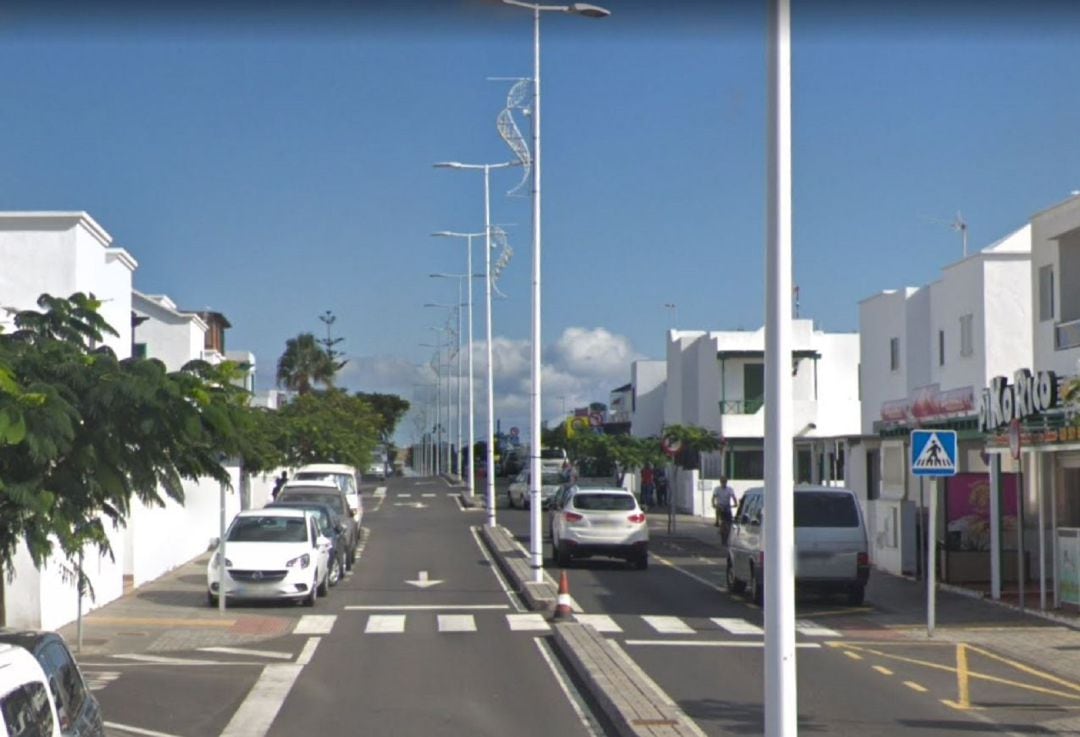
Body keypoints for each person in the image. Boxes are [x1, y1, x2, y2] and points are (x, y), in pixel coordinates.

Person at [712, 476, 737, 545]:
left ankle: (726, 537)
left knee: (729, 524)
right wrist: (713, 504)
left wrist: (735, 503)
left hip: (727, 506)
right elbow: (713, 498)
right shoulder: (717, 489)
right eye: (722, 482)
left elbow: (733, 497)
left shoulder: (729, 489)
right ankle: (717, 521)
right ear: (720, 482)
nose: (723, 483)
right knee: (719, 510)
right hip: (720, 506)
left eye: (725, 482)